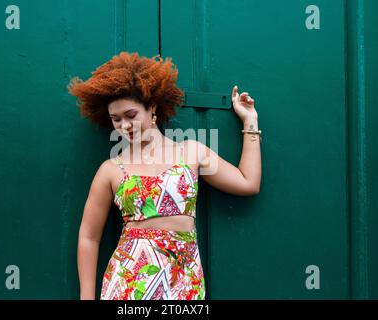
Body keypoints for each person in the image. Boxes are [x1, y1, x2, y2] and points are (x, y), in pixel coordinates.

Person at [67, 51, 261, 300]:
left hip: (182, 282)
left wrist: (250, 121)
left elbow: (248, 183)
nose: (124, 126)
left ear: (153, 108)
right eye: (116, 119)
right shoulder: (110, 170)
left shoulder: (190, 152)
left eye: (131, 115)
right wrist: (86, 297)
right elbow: (89, 236)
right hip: (128, 285)